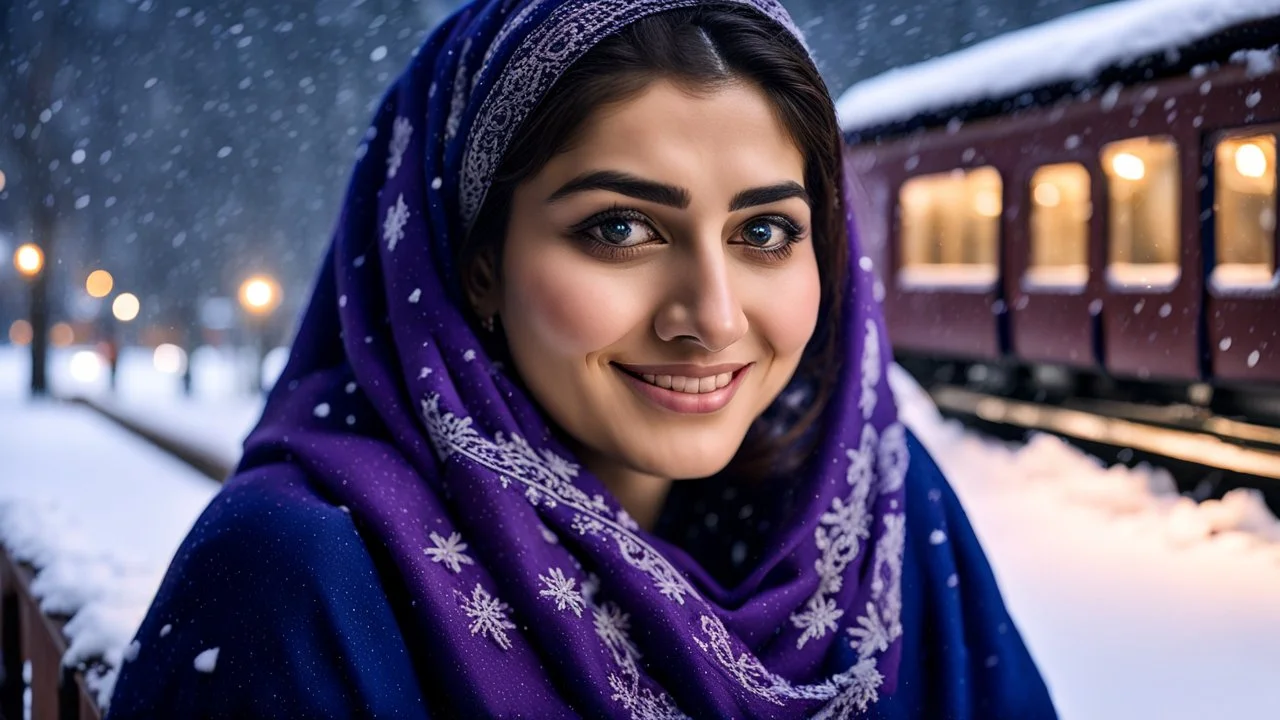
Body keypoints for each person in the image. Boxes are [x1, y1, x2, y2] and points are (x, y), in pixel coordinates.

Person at [107, 1, 1056, 717]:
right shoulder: (301, 574)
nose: (713, 318)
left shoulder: (879, 515)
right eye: (620, 228)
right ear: (475, 266)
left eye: (765, 230)